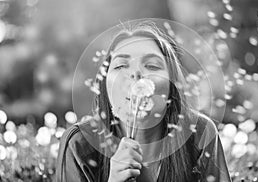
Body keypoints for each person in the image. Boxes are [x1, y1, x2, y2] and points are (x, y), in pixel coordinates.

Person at [55, 20, 232, 182]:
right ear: (104, 87)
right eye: (121, 66)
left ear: (172, 86)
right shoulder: (79, 144)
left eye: (152, 66)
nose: (136, 74)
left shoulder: (200, 134)